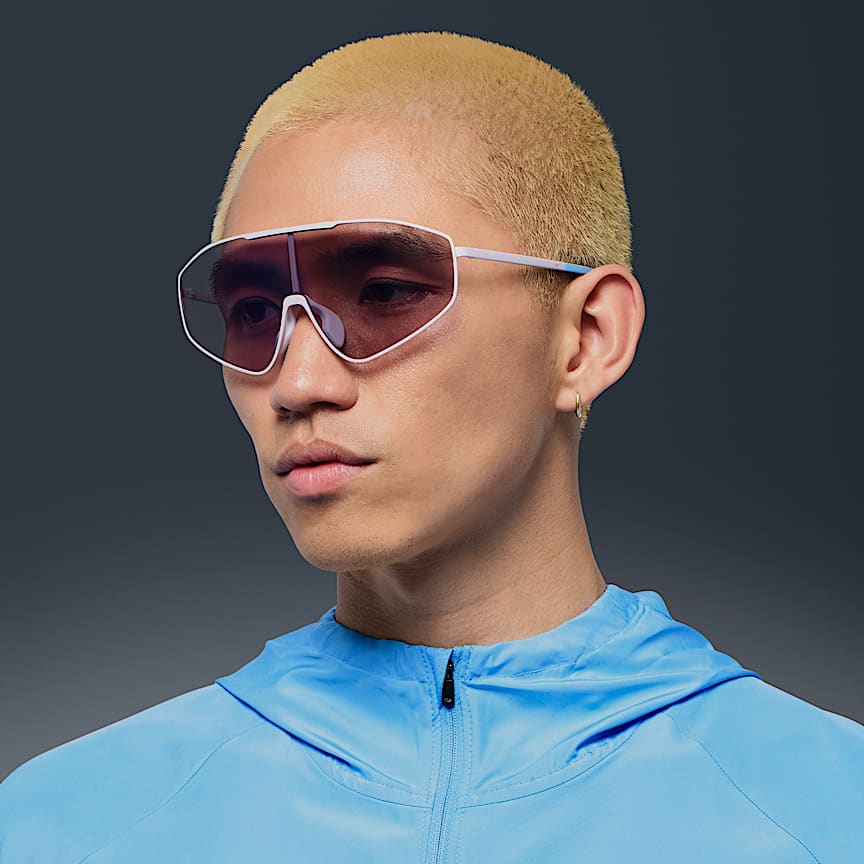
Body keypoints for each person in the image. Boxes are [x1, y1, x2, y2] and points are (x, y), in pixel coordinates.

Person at [1, 30, 861, 863]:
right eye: (255, 312)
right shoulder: (62, 825)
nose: (298, 383)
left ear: (586, 338)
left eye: (384, 292)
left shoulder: (829, 814)